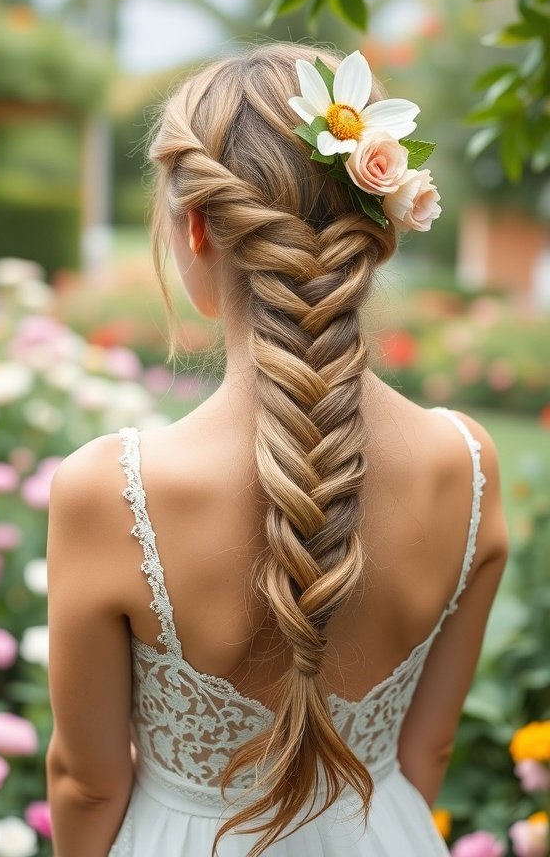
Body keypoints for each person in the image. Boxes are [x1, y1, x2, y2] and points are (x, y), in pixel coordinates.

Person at [46, 43, 509, 857]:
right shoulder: (465, 464)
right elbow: (428, 749)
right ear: (383, 220)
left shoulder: (111, 491)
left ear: (196, 229)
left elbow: (87, 783)